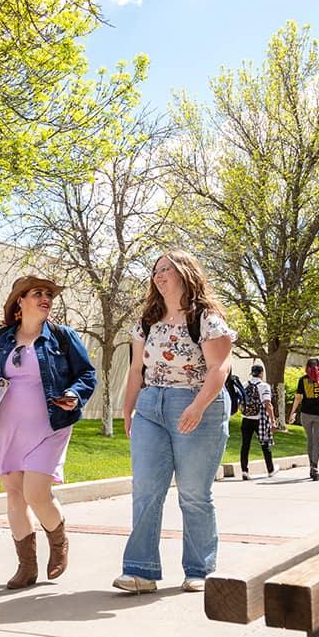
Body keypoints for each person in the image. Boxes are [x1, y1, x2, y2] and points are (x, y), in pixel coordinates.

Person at [0, 276, 97, 590]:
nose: (45, 298)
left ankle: (59, 541)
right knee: (14, 493)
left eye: (48, 294)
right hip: (7, 424)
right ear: (19, 301)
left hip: (50, 423)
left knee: (36, 492)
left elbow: (87, 373)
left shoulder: (63, 337)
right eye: (38, 293)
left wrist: (75, 394)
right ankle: (26, 566)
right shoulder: (0, 339)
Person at [115, 250, 235, 594]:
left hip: (197, 403)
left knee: (194, 493)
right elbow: (137, 369)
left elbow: (220, 368)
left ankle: (199, 568)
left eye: (166, 269)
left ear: (185, 273)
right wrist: (129, 409)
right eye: (156, 271)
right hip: (152, 404)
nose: (159, 275)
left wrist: (197, 406)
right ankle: (140, 571)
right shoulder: (148, 320)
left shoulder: (207, 319)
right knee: (146, 490)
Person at [288, 357, 319, 481]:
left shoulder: (303, 380)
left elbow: (298, 398)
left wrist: (292, 412)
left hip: (306, 414)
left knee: (310, 440)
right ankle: (314, 467)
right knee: (317, 441)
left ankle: (311, 466)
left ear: (307, 367)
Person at [240, 363, 277, 480]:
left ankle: (244, 471)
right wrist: (273, 420)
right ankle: (270, 470)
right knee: (265, 443)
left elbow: (240, 401)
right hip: (259, 419)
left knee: (245, 445)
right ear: (261, 373)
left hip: (246, 418)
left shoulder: (244, 384)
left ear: (251, 372)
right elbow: (268, 404)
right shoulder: (264, 386)